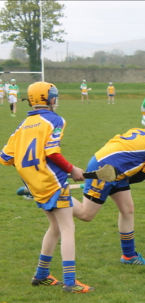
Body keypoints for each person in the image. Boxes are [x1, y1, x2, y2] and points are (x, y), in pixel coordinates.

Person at [0, 81, 94, 293]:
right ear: (48, 98)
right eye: (54, 95)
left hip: (35, 185)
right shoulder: (55, 120)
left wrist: (31, 173)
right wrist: (72, 170)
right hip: (53, 181)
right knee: (67, 228)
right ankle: (70, 282)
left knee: (57, 227)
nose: (55, 98)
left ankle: (41, 275)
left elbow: (5, 158)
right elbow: (52, 151)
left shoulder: (22, 125)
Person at [71, 116, 145, 265]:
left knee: (128, 209)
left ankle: (129, 256)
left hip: (112, 167)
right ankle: (55, 195)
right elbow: (139, 177)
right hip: (105, 170)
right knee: (86, 214)